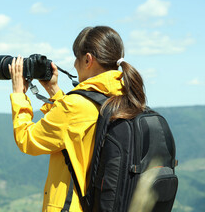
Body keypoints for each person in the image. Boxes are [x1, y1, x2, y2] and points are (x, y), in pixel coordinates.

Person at [8, 26, 146, 212]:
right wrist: (53, 91)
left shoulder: (76, 106)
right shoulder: (126, 98)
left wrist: (18, 94)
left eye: (76, 58)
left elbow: (27, 139)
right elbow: (75, 132)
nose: (74, 64)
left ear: (88, 59)